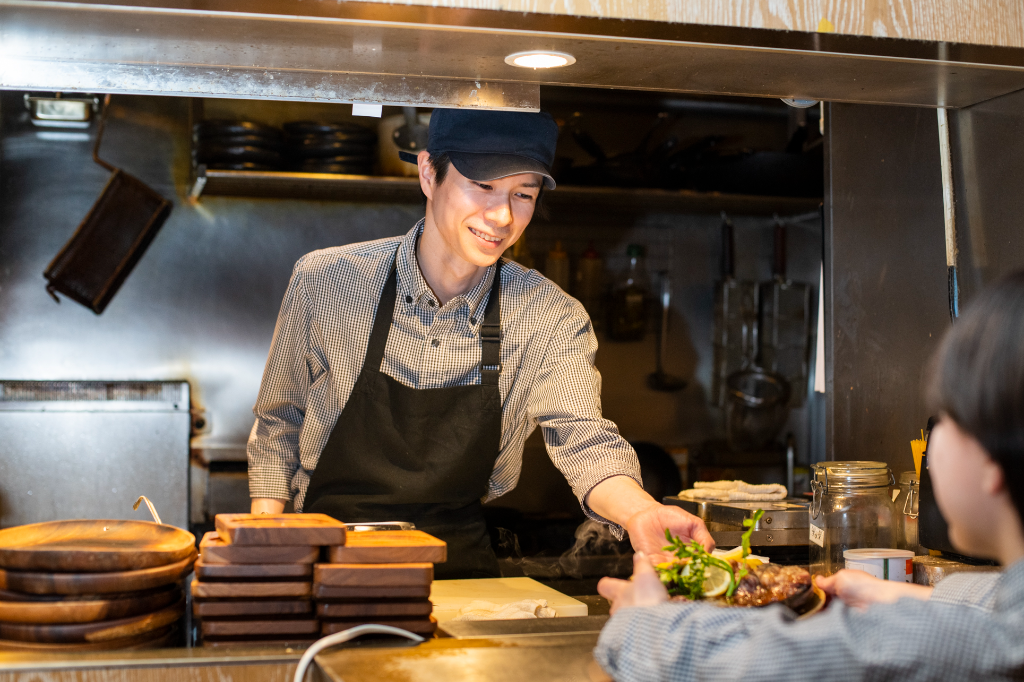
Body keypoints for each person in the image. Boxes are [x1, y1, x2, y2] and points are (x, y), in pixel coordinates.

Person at [246, 108, 711, 579]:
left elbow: (583, 439)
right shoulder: (327, 281)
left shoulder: (549, 316)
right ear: (429, 172)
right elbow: (279, 421)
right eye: (484, 186)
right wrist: (269, 547)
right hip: (326, 562)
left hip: (459, 573)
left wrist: (639, 513)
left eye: (523, 194)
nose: (503, 216)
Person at [595, 271, 1024, 681]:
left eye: (947, 418)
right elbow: (1005, 605)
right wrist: (899, 594)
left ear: (992, 462)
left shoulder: (991, 646)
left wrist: (645, 624)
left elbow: (773, 664)